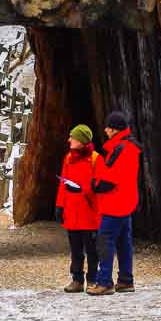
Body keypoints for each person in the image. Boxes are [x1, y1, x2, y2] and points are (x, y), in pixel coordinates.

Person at [86, 111, 141, 296]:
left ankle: (105, 282)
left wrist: (94, 184)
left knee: (105, 241)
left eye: (108, 127)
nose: (105, 130)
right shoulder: (130, 147)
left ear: (114, 130)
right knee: (124, 242)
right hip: (127, 201)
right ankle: (126, 280)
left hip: (114, 203)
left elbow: (110, 179)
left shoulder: (120, 149)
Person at [55, 124, 101, 293]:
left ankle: (92, 279)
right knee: (75, 249)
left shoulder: (96, 159)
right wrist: (60, 206)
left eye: (72, 137)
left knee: (92, 249)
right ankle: (77, 279)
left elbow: (101, 186)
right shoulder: (68, 158)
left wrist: (84, 190)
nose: (69, 140)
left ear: (81, 141)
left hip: (89, 213)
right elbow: (63, 184)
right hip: (72, 212)